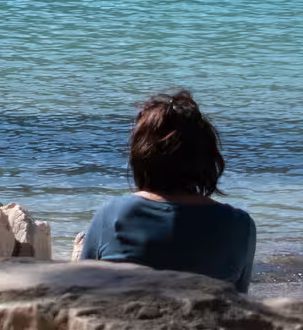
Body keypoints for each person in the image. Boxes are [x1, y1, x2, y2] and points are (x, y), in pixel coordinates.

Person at [80, 90, 256, 292]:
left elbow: (81, 293)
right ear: (207, 157)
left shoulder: (113, 215)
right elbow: (240, 301)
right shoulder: (240, 226)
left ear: (141, 156)